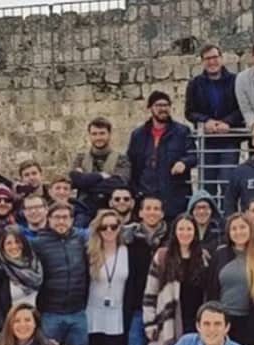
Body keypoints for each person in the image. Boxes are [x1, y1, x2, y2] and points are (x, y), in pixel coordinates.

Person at [143, 215, 210, 345]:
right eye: (181, 229)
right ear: (175, 232)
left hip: (196, 319)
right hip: (169, 319)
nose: (185, 233)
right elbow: (150, 291)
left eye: (189, 229)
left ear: (195, 232)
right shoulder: (163, 256)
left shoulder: (203, 257)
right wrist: (149, 323)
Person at [121, 196, 169, 345]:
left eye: (156, 208)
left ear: (162, 212)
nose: (152, 212)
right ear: (139, 213)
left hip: (165, 307)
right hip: (137, 307)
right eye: (148, 208)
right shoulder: (129, 239)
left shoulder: (169, 239)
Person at [206, 213, 254, 345]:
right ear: (228, 232)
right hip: (223, 322)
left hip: (251, 324)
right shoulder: (220, 254)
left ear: (250, 229)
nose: (238, 232)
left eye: (242, 227)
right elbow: (211, 290)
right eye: (234, 228)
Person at [127, 90, 197, 221]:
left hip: (174, 197)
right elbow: (132, 165)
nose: (163, 109)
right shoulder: (138, 135)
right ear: (150, 108)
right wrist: (135, 193)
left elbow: (193, 155)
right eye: (158, 105)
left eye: (166, 105)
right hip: (146, 198)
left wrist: (184, 162)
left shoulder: (182, 131)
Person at [185, 43, 244, 195]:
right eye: (207, 58)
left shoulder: (236, 81)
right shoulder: (195, 84)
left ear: (222, 58)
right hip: (207, 141)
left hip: (229, 140)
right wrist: (206, 121)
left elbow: (242, 108)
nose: (212, 62)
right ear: (202, 62)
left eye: (215, 57)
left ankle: (228, 217)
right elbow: (189, 112)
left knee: (227, 183)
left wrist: (227, 122)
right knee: (207, 186)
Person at [32, 203, 90, 345]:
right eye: (56, 217)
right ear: (48, 219)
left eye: (65, 217)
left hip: (78, 312)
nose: (61, 221)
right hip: (51, 313)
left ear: (72, 220)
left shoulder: (80, 239)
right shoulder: (38, 243)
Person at [85, 210, 131, 345]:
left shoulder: (127, 252)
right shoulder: (90, 252)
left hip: (117, 315)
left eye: (114, 226)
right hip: (93, 313)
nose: (109, 230)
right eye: (104, 227)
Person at [0, 225, 43, 334]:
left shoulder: (35, 265)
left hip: (33, 325)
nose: (14, 246)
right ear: (2, 246)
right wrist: (3, 326)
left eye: (17, 242)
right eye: (8, 243)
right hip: (10, 328)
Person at [70, 117, 131, 218]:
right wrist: (101, 176)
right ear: (89, 136)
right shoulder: (80, 158)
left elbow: (119, 183)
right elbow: (75, 181)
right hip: (84, 211)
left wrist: (86, 181)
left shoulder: (121, 159)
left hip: (112, 212)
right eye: (94, 134)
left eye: (102, 133)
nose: (98, 137)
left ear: (109, 134)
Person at [187, 189, 223, 253]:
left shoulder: (221, 230)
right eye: (198, 208)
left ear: (212, 210)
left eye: (205, 207)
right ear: (191, 211)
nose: (201, 211)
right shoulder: (184, 230)